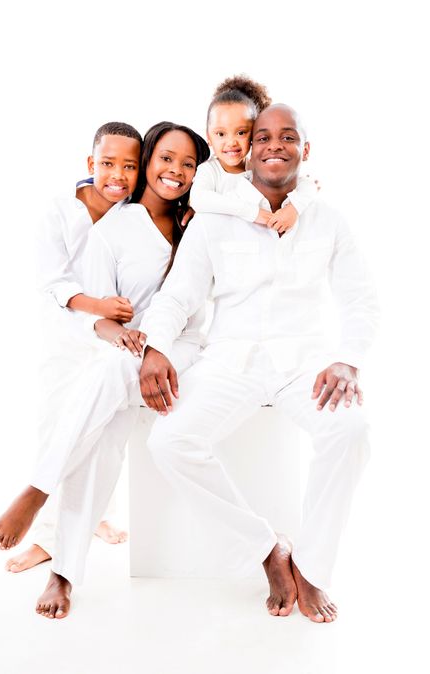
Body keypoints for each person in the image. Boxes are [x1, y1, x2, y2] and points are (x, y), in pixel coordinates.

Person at [138, 104, 380, 624]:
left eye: (287, 136)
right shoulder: (216, 219)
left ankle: (313, 567)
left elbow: (361, 300)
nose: (274, 145)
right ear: (247, 151)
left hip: (305, 365)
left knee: (352, 430)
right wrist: (154, 346)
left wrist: (348, 360)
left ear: (305, 151)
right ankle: (268, 549)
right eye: (263, 136)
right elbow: (178, 296)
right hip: (231, 361)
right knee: (169, 441)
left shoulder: (328, 219)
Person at [0, 122, 210, 619]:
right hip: (129, 355)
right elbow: (96, 311)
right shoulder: (113, 230)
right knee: (103, 436)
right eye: (165, 158)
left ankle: (39, 490)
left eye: (188, 163)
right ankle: (63, 570)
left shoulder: (202, 220)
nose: (175, 170)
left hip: (187, 350)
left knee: (109, 385)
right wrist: (131, 340)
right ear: (149, 161)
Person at [5, 122, 142, 574]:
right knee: (58, 425)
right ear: (91, 164)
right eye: (107, 164)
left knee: (102, 435)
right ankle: (45, 537)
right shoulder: (61, 211)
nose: (117, 175)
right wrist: (98, 306)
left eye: (128, 166)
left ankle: (97, 513)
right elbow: (53, 282)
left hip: (115, 343)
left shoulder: (134, 213)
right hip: (69, 335)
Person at [190, 74, 319, 232]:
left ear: (254, 136)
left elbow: (310, 185)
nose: (231, 142)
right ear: (208, 137)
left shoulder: (258, 167)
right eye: (221, 134)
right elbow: (198, 199)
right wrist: (253, 212)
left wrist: (293, 209)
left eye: (241, 133)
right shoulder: (210, 170)